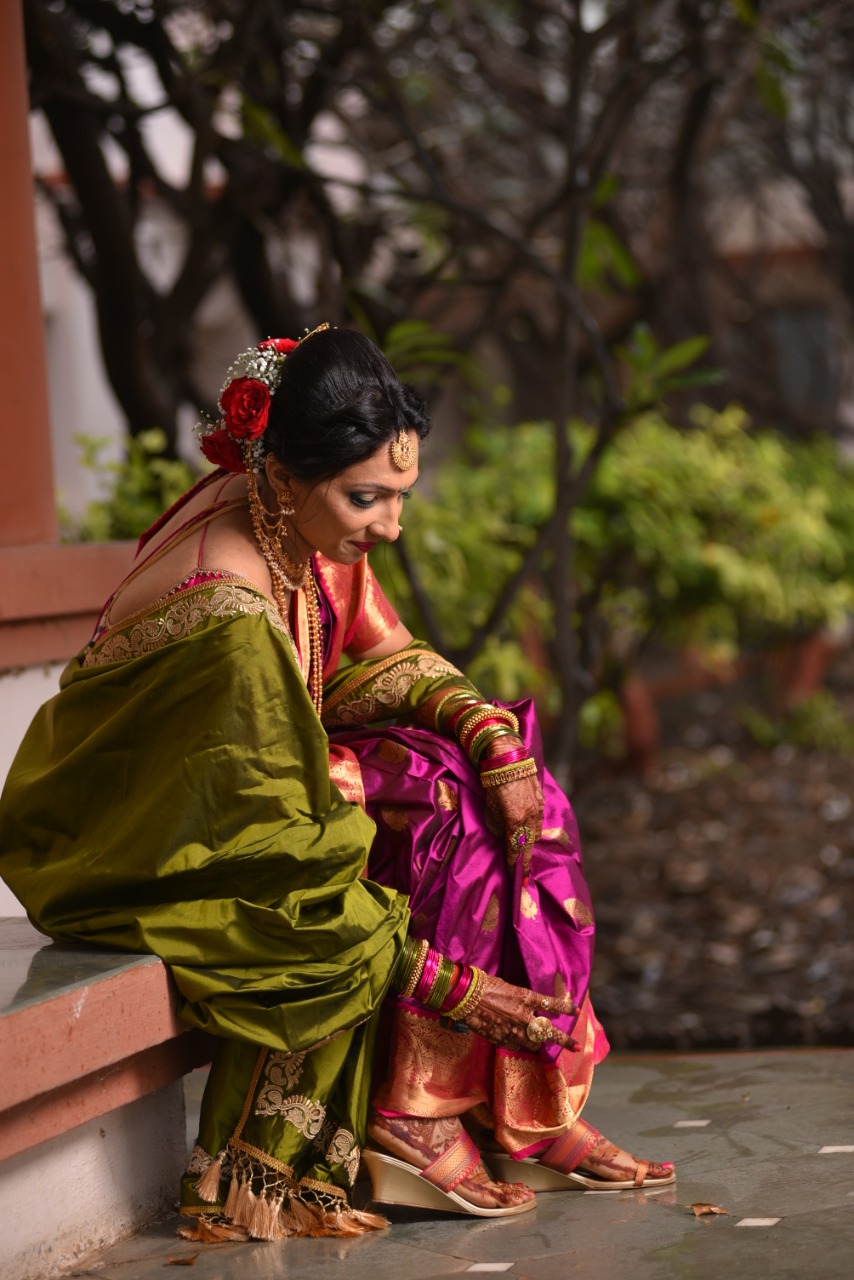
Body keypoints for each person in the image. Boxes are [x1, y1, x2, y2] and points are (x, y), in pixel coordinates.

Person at [0, 325, 673, 1242]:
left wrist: (491, 741)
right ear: (280, 472)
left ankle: (519, 1105)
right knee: (410, 819)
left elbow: (381, 655)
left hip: (240, 785)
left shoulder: (289, 523)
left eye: (401, 495)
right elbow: (284, 868)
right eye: (369, 498)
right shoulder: (225, 612)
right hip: (134, 843)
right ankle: (372, 1127)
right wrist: (460, 990)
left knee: (505, 786)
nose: (391, 526)